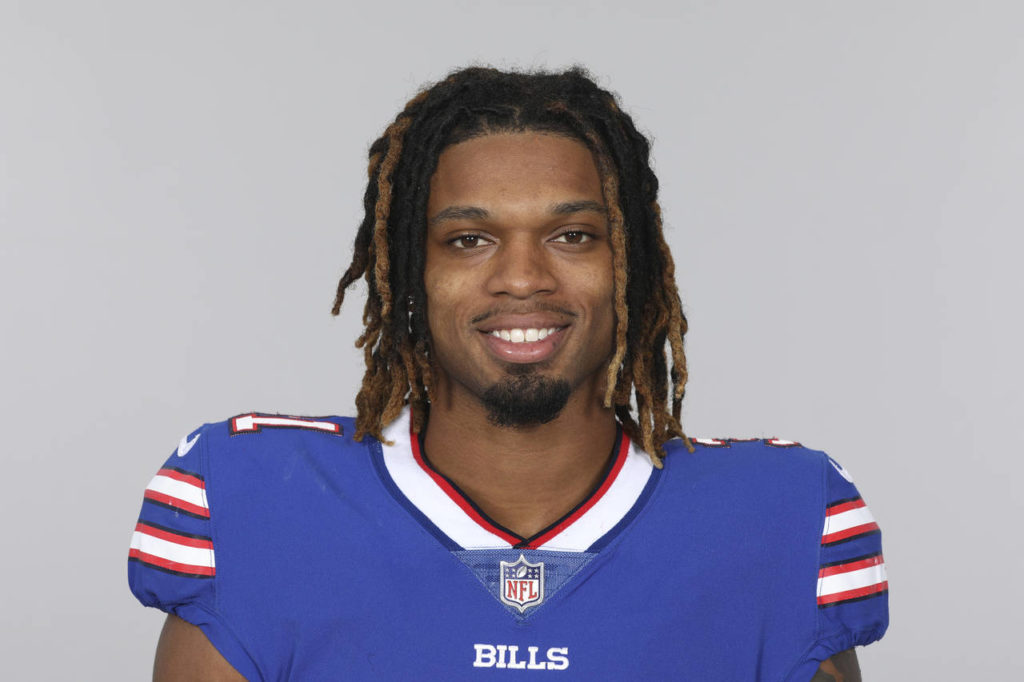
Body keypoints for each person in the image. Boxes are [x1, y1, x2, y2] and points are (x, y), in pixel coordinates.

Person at [128, 67, 888, 681]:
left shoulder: (782, 517)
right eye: (469, 239)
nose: (522, 278)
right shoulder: (252, 497)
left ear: (631, 266)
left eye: (572, 235)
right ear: (410, 272)